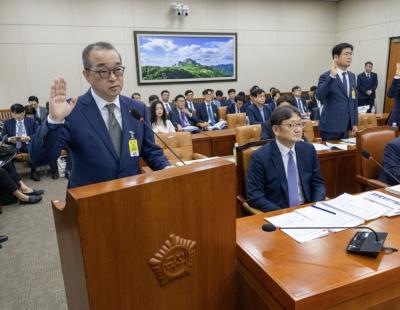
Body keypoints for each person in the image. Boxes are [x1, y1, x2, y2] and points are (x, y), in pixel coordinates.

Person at [30, 41, 169, 188]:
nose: (113, 77)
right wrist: (54, 120)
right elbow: (39, 158)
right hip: (90, 199)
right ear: (87, 75)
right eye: (103, 71)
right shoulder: (71, 110)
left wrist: (167, 168)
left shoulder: (137, 108)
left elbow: (149, 149)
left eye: (118, 69)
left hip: (131, 193)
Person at [246, 105, 325, 212]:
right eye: (291, 125)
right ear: (276, 129)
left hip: (308, 210)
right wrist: (282, 213)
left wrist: (316, 206)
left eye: (300, 124)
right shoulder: (260, 157)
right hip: (278, 212)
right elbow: (255, 196)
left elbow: (318, 183)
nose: (298, 130)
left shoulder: (308, 150)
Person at [317, 42, 358, 140]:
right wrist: (332, 76)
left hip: (346, 127)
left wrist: (355, 123)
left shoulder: (352, 76)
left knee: (344, 155)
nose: (349, 57)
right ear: (336, 57)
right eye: (346, 54)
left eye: (350, 54)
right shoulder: (326, 76)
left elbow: (353, 101)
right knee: (331, 155)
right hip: (330, 127)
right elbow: (319, 96)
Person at [2, 103, 41, 181]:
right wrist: (9, 139)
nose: (17, 116)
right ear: (12, 113)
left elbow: (38, 134)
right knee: (7, 152)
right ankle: (14, 175)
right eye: (15, 114)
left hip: (27, 144)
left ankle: (34, 171)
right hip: (13, 145)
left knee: (33, 148)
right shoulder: (7, 123)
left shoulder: (31, 121)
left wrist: (28, 137)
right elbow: (3, 137)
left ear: (24, 112)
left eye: (19, 113)